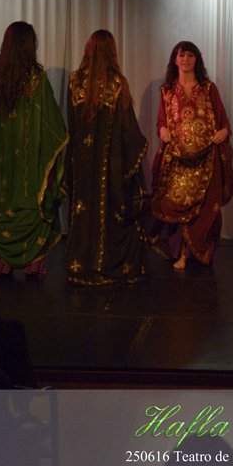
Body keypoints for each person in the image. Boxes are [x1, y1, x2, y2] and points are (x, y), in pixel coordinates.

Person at [0, 22, 68, 277]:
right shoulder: (36, 79)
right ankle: (32, 265)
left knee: (11, 206)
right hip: (32, 159)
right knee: (34, 206)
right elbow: (52, 125)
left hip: (7, 159)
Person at [63, 29, 148, 286]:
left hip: (81, 162)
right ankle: (107, 262)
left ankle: (82, 262)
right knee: (110, 210)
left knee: (83, 210)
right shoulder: (117, 83)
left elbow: (72, 126)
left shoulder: (75, 81)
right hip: (111, 164)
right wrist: (138, 149)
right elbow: (128, 129)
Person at [150, 41, 233, 269]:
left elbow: (223, 120)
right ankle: (178, 250)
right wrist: (163, 130)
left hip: (207, 158)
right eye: (181, 55)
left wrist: (223, 132)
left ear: (197, 59)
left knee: (205, 206)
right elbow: (161, 121)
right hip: (177, 159)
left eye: (190, 55)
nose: (185, 59)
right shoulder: (167, 91)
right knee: (175, 203)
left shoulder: (208, 88)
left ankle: (191, 252)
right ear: (175, 60)